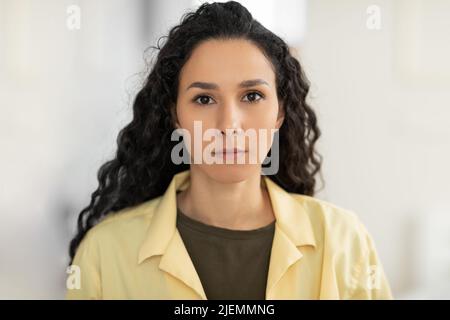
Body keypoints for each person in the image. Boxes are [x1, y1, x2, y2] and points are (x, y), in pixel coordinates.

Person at [66, 1, 393, 299]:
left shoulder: (344, 242)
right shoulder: (104, 254)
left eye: (252, 96)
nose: (229, 124)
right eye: (204, 99)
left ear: (280, 112)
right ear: (176, 115)